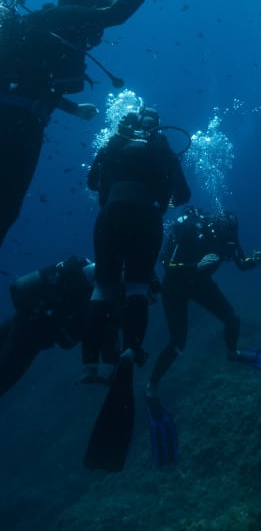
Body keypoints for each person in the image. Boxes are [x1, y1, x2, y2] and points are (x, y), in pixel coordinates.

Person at [0, 0, 175, 250]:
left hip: (19, 123)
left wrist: (71, 108)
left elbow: (27, 85)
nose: (98, 36)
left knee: (7, 209)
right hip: (15, 127)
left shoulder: (48, 34)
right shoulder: (62, 19)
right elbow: (118, 14)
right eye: (97, 27)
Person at [81, 105, 191, 381]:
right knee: (138, 288)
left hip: (111, 216)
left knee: (103, 290)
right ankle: (131, 350)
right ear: (157, 125)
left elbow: (93, 181)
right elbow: (183, 194)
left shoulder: (116, 144)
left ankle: (90, 366)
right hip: (146, 218)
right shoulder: (162, 148)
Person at [145, 206, 261, 398]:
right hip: (175, 287)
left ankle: (232, 352)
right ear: (215, 229)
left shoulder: (229, 237)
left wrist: (255, 260)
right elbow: (166, 263)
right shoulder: (190, 231)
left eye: (231, 237)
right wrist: (196, 265)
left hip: (201, 284)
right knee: (178, 343)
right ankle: (152, 384)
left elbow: (241, 263)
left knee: (232, 319)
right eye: (224, 237)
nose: (228, 242)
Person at [0, 255, 119, 398]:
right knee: (5, 375)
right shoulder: (107, 292)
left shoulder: (105, 289)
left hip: (27, 318)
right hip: (33, 330)